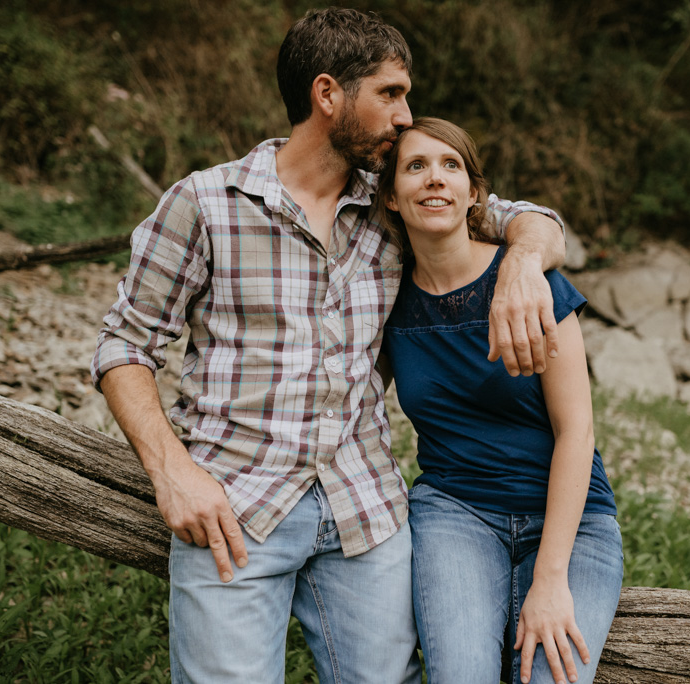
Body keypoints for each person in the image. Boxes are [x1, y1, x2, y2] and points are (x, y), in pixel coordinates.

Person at [90, 8, 566, 684]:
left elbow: (536, 221)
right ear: (327, 95)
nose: (407, 117)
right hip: (233, 507)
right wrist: (173, 474)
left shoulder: (396, 200)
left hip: (364, 510)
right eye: (390, 94)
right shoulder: (207, 203)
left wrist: (520, 267)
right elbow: (123, 345)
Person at [377, 117, 622, 684]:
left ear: (474, 195)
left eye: (450, 166)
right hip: (454, 513)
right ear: (391, 196)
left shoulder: (531, 286)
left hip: (573, 521)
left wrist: (551, 579)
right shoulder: (385, 302)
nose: (434, 180)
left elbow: (577, 433)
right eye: (416, 167)